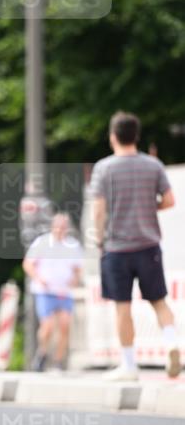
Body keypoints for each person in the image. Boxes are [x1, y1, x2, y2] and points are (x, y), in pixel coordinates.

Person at [90, 110, 180, 381]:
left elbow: (98, 209)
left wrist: (99, 239)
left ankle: (129, 365)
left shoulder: (104, 168)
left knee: (122, 307)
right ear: (136, 136)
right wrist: (148, 207)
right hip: (149, 246)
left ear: (113, 137)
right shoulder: (153, 166)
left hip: (117, 249)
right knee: (159, 301)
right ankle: (171, 342)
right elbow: (169, 200)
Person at [22, 213, 83, 372]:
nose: (60, 230)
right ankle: (42, 352)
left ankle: (58, 361)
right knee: (47, 326)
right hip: (45, 291)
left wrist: (74, 280)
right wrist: (38, 278)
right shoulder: (42, 243)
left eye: (63, 227)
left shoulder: (73, 245)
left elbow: (77, 269)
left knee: (64, 325)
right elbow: (28, 264)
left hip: (64, 291)